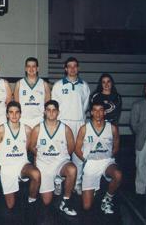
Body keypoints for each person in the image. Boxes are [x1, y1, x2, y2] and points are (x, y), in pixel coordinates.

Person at [29, 100, 78, 216]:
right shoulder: (37, 129)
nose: (51, 113)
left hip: (60, 162)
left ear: (58, 112)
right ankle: (58, 180)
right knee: (46, 201)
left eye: (54, 110)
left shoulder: (65, 129)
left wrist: (60, 156)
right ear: (45, 112)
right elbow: (31, 147)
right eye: (48, 110)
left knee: (72, 169)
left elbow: (71, 148)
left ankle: (65, 202)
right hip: (44, 164)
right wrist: (43, 155)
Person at [51, 57, 90, 193]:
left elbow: (84, 106)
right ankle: (58, 182)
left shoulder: (84, 86)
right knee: (62, 154)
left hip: (79, 122)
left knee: (79, 154)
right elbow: (54, 108)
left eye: (75, 66)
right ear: (65, 69)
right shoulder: (58, 85)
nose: (72, 69)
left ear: (77, 68)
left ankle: (77, 183)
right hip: (63, 123)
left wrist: (79, 117)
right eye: (69, 66)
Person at [75, 102, 122, 214]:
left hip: (106, 162)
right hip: (91, 163)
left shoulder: (112, 128)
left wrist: (109, 157)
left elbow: (116, 146)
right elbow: (77, 149)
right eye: (95, 110)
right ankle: (92, 190)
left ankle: (107, 199)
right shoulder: (84, 128)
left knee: (118, 174)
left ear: (104, 112)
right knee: (87, 206)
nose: (98, 113)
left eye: (101, 110)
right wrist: (85, 160)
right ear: (91, 112)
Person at [0, 101, 40, 211]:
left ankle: (32, 201)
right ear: (7, 114)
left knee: (36, 174)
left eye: (17, 112)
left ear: (20, 114)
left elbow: (27, 148)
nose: (14, 115)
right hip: (7, 166)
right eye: (11, 112)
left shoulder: (27, 130)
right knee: (10, 206)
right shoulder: (0, 130)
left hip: (21, 163)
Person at [13, 57, 51, 128]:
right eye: (28, 66)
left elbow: (48, 105)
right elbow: (16, 105)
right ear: (25, 68)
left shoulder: (44, 84)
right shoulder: (19, 84)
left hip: (39, 120)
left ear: (37, 69)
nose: (31, 69)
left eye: (33, 66)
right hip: (23, 119)